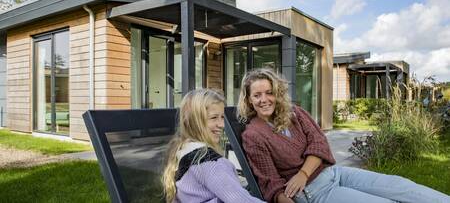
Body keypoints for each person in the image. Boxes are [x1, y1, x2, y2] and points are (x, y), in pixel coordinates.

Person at [237, 68, 450, 203]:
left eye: (269, 92)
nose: (264, 99)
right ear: (248, 100)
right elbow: (270, 183)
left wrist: (303, 172)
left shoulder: (295, 113)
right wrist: (298, 184)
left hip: (335, 174)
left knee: (401, 187)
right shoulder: (253, 135)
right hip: (312, 192)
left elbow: (319, 144)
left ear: (277, 94)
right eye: (257, 95)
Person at [162, 88, 265, 203]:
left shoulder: (182, 150)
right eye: (213, 117)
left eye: (222, 117)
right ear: (194, 121)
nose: (221, 124)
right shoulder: (210, 162)